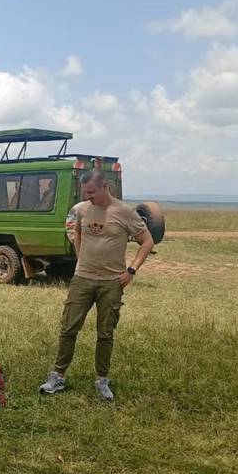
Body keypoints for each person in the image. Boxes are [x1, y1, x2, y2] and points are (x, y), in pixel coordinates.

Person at [39, 171, 154, 402]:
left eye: (91, 192)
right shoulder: (82, 209)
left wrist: (131, 271)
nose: (88, 197)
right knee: (68, 328)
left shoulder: (124, 212)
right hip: (82, 278)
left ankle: (102, 380)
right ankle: (58, 376)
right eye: (85, 192)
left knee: (105, 333)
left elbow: (147, 241)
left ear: (105, 186)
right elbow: (77, 232)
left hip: (111, 282)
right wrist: (80, 259)